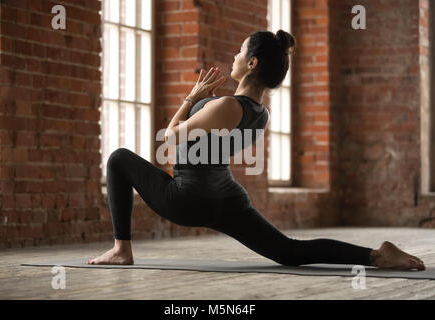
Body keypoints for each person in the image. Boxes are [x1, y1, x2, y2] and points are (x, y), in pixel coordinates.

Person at [88, 30, 425, 271]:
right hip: (229, 200)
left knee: (118, 158)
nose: (234, 56)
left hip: (189, 200)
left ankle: (121, 249)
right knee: (288, 252)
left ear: (251, 63)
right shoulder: (261, 113)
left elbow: (170, 136)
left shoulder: (226, 106)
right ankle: (376, 255)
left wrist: (191, 97)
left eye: (239, 52)